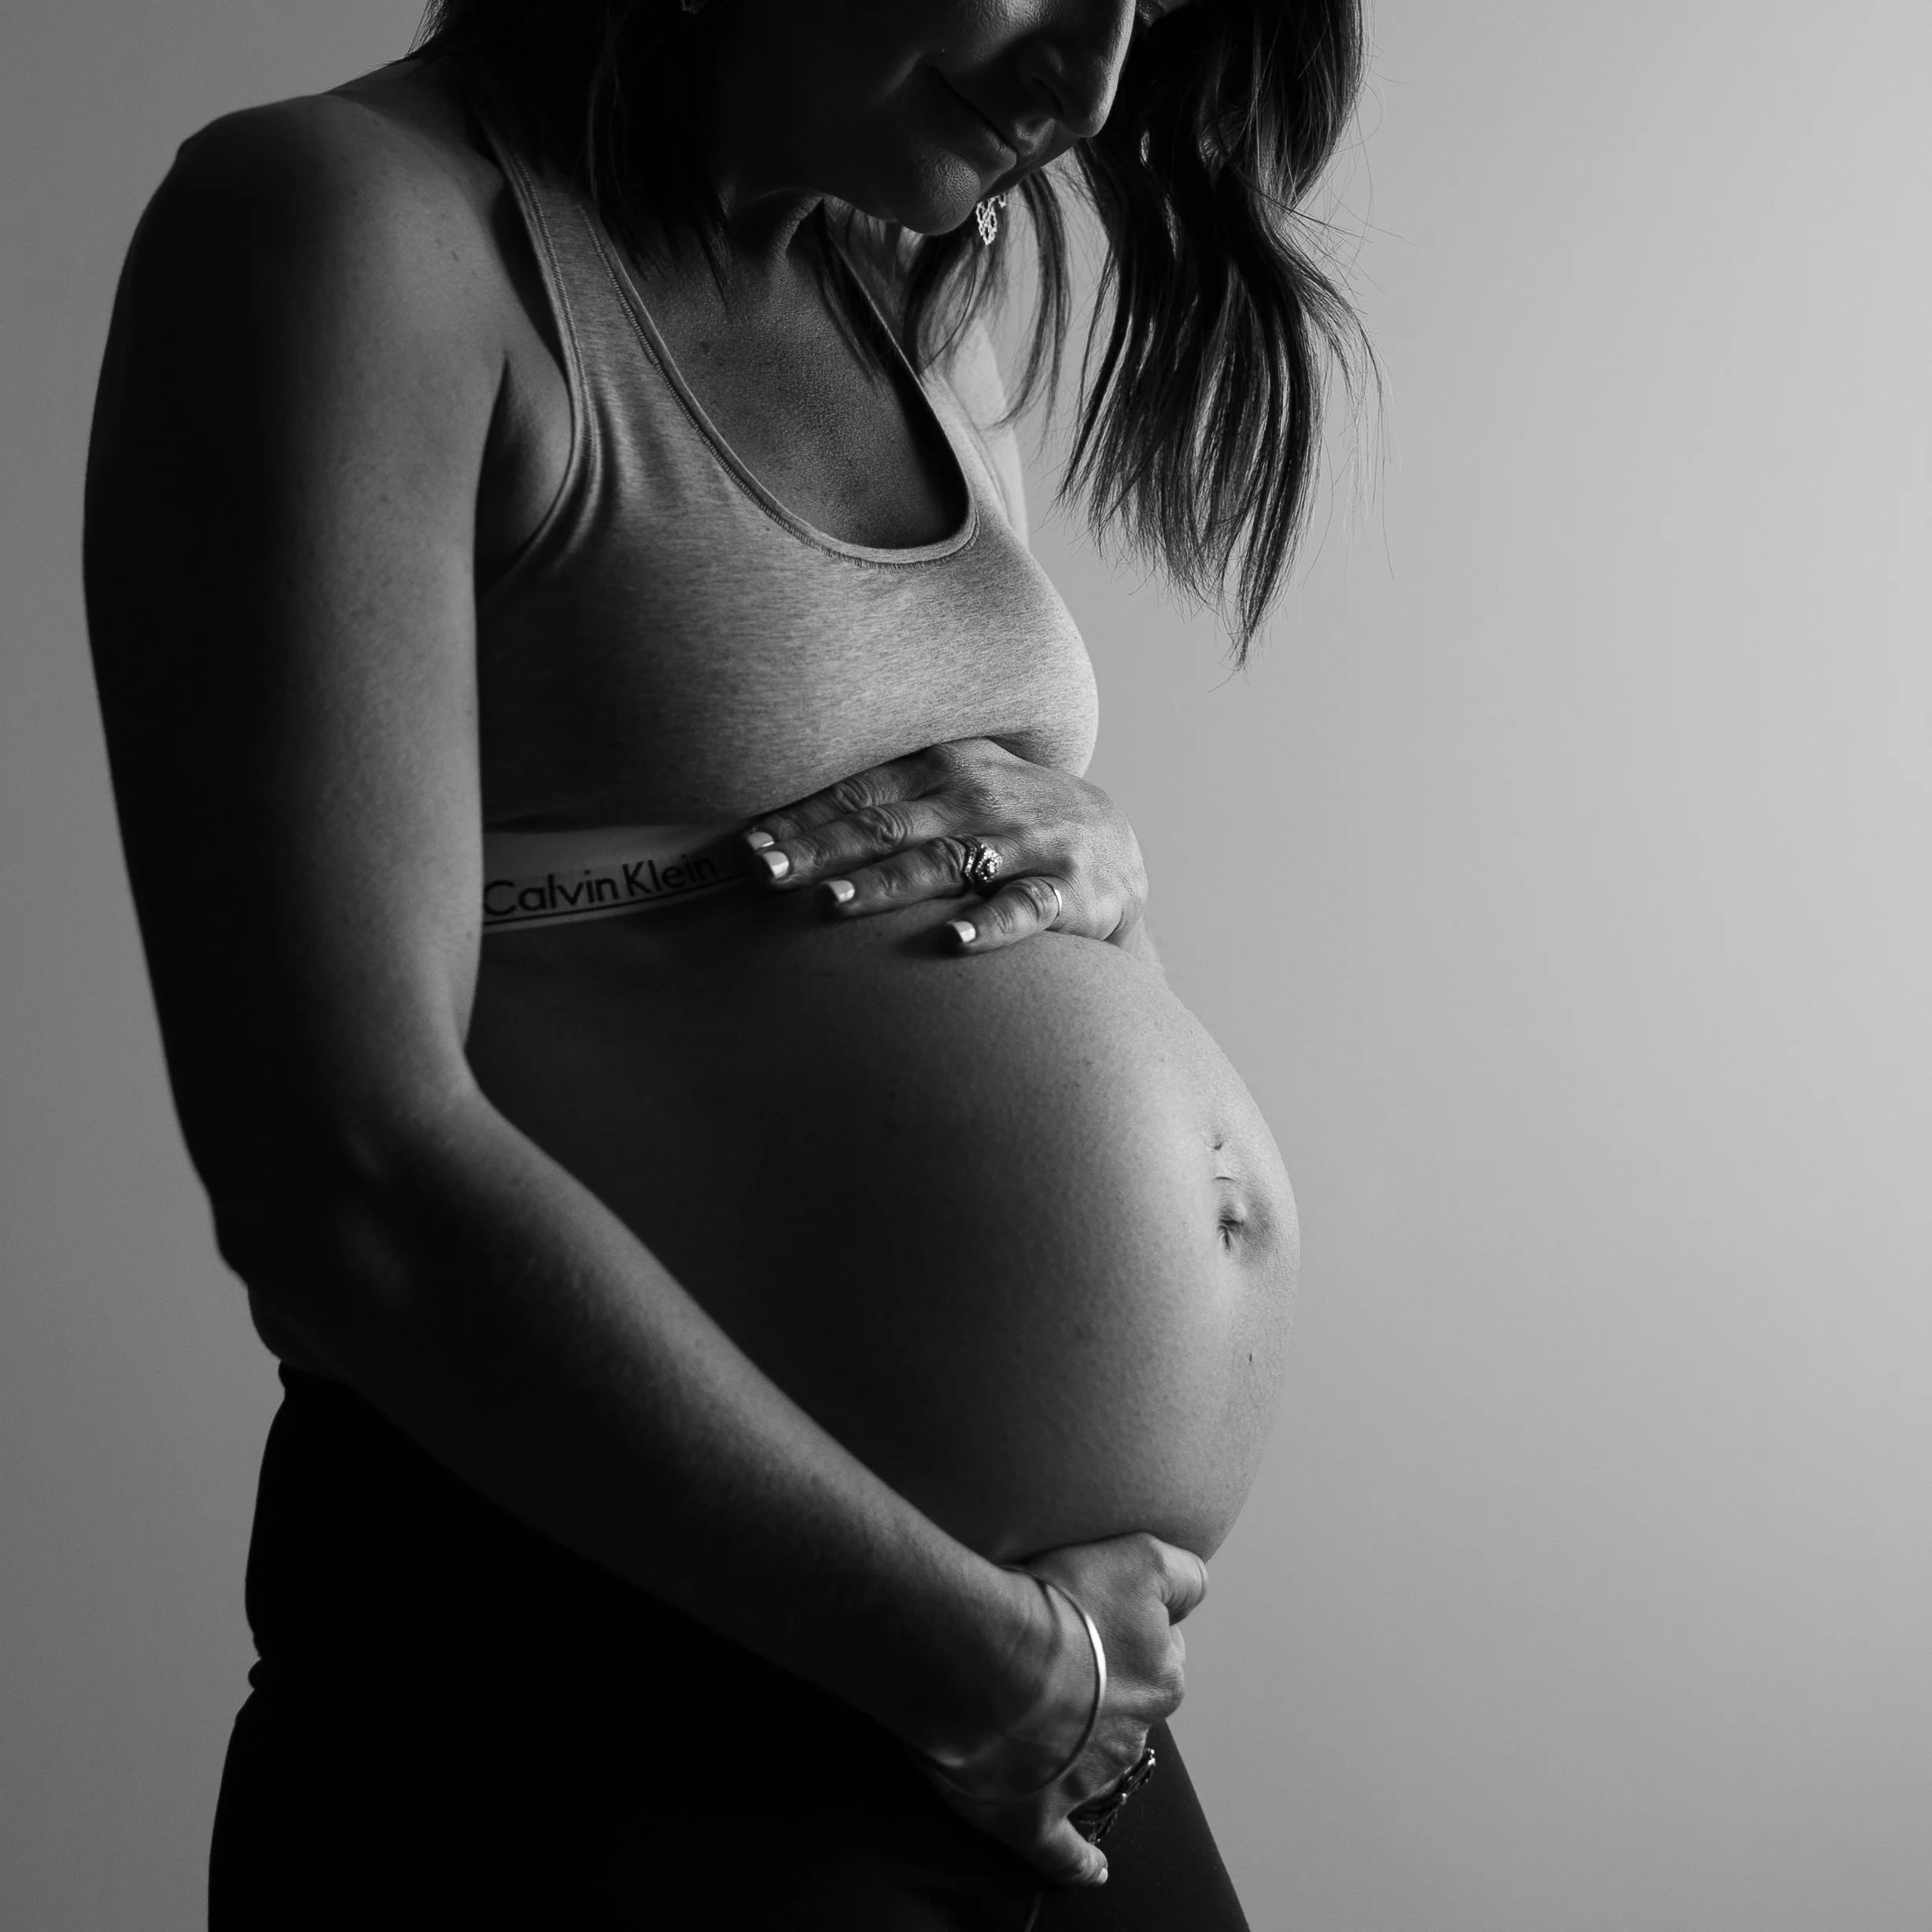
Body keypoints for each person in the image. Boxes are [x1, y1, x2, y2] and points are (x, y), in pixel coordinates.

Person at [83, 1, 1367, 1923]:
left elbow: (872, 870)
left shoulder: (912, 297)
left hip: (1010, 1701)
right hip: (601, 1694)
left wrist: (1098, 852)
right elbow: (339, 1172)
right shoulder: (355, 232)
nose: (1088, 85)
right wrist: (974, 1654)